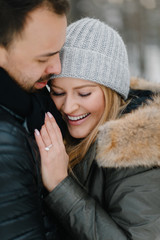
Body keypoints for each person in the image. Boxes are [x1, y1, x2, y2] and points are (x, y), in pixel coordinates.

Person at [35, 18, 160, 240]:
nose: (68, 107)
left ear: (112, 91)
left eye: (84, 93)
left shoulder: (137, 156)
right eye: (58, 92)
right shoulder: (60, 129)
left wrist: (60, 186)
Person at [0, 0, 69, 239]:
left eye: (60, 51)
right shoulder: (4, 144)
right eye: (43, 59)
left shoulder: (34, 99)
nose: (57, 67)